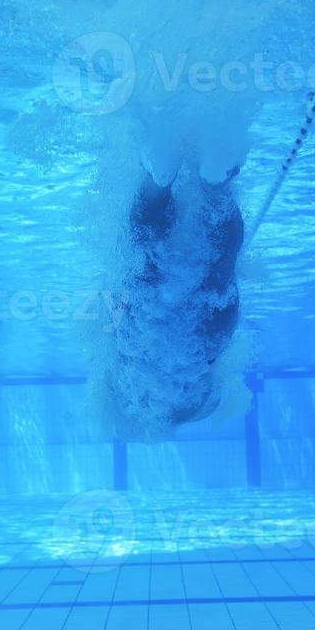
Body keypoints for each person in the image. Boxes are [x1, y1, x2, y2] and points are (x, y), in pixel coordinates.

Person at [100, 160, 245, 439]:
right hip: (149, 343)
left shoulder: (197, 406)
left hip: (203, 347)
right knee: (146, 260)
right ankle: (160, 178)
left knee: (218, 269)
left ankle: (215, 184)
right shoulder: (121, 395)